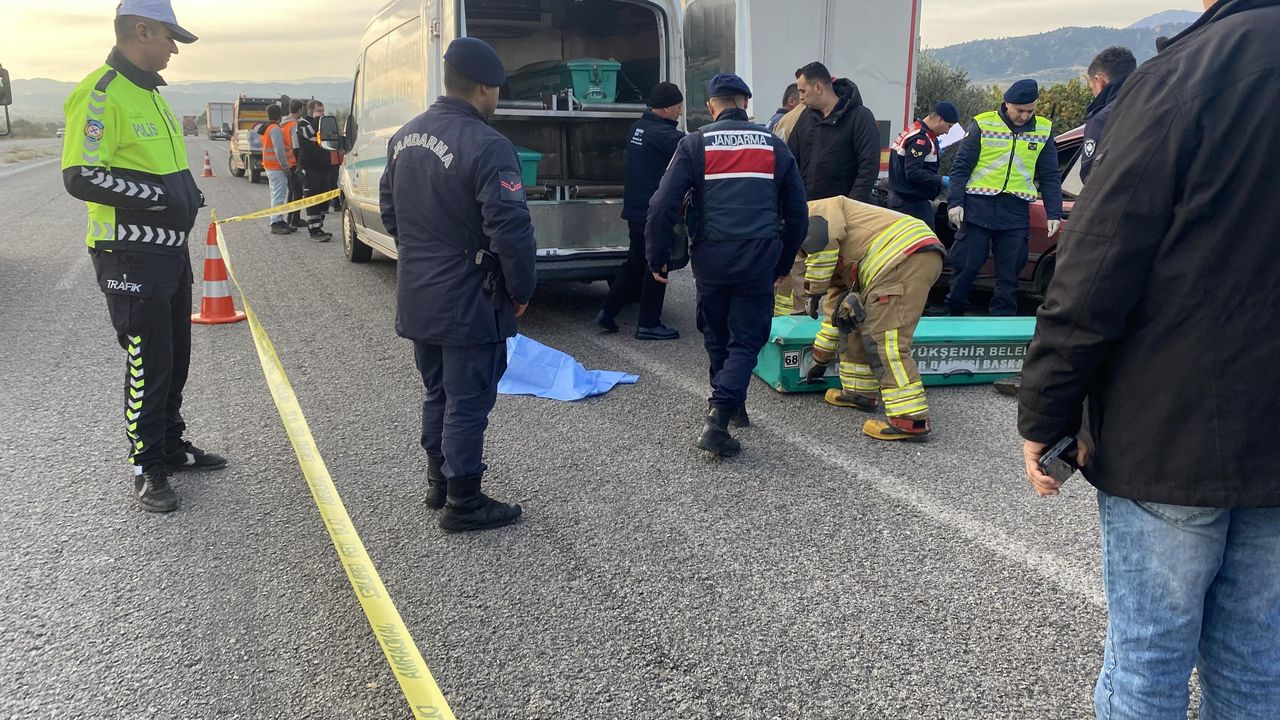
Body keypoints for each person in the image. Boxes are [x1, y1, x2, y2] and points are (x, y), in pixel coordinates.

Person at [1020, 1, 1280, 716]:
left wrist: (1045, 410)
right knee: (1257, 661)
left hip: (1174, 427)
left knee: (1148, 662)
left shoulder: (1188, 72)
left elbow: (1098, 262)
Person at [61, 0, 226, 513]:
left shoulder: (150, 94)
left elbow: (162, 167)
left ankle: (170, 444)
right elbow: (81, 175)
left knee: (175, 357)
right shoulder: (100, 93)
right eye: (170, 37)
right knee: (147, 361)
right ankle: (146, 465)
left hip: (169, 252)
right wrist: (162, 197)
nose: (175, 48)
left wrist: (185, 194)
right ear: (141, 30)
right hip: (129, 253)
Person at [380, 37, 536, 533]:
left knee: (438, 392)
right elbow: (510, 229)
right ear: (485, 87)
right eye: (498, 90)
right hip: (469, 297)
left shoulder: (403, 138)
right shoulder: (489, 145)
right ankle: (463, 502)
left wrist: (426, 256)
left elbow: (391, 214)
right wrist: (521, 288)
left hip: (418, 292)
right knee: (468, 399)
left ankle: (438, 483)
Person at [646, 73, 807, 457]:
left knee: (717, 332)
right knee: (747, 338)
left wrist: (657, 256)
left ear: (711, 106)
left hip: (711, 256)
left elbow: (661, 205)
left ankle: (733, 406)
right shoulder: (773, 145)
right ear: (746, 103)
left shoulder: (693, 144)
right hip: (759, 256)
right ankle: (720, 416)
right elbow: (798, 214)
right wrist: (784, 263)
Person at [799, 197, 944, 441]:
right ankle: (859, 393)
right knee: (849, 320)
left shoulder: (816, 210)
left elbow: (822, 244)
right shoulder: (834, 251)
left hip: (904, 257)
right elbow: (833, 315)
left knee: (885, 340)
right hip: (899, 258)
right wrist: (820, 360)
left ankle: (909, 418)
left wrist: (814, 290)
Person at [945, 79, 1062, 316]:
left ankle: (1002, 321)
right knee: (966, 266)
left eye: (1030, 111)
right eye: (1019, 110)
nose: (1024, 116)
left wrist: (1054, 212)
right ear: (1007, 103)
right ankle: (954, 314)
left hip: (1015, 210)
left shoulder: (1043, 130)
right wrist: (955, 202)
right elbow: (961, 168)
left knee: (1010, 273)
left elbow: (1050, 175)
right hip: (978, 207)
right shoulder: (983, 124)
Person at [596, 82, 684, 340]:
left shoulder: (638, 128)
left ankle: (608, 311)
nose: (680, 111)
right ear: (665, 108)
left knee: (635, 262)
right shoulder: (664, 135)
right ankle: (649, 323)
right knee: (658, 261)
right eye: (678, 106)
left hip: (636, 209)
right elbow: (694, 146)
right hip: (654, 213)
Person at [788, 62, 880, 203]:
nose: (800, 97)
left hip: (843, 209)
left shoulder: (860, 117)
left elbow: (868, 167)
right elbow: (790, 159)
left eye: (803, 91)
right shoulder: (805, 118)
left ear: (818, 88)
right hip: (808, 208)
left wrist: (850, 206)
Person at [886, 102, 958, 229]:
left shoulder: (915, 129)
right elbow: (913, 173)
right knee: (925, 240)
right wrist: (941, 180)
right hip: (910, 203)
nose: (947, 132)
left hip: (902, 198)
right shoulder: (920, 139)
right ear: (939, 119)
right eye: (949, 126)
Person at [1080, 46, 1136, 184]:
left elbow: (1090, 176)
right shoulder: (1156, 104)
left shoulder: (1101, 119)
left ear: (1099, 82)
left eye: (1092, 88)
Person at [296, 99, 333, 242]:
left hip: (324, 168)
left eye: (323, 111)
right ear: (311, 111)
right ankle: (314, 230)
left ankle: (319, 226)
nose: (322, 114)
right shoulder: (302, 124)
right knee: (313, 200)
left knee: (324, 201)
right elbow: (307, 134)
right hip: (309, 168)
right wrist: (317, 120)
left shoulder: (323, 124)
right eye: (319, 111)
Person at [260, 104, 294, 234]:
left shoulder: (267, 128)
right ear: (280, 116)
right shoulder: (275, 129)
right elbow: (279, 150)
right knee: (278, 196)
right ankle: (275, 222)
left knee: (276, 194)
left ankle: (279, 220)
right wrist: (285, 167)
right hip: (277, 167)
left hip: (271, 166)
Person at [282, 99, 306, 228]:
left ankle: (290, 218)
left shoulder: (283, 124)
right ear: (300, 110)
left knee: (291, 190)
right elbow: (296, 146)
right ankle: (295, 219)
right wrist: (299, 164)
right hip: (293, 162)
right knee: (297, 191)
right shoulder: (294, 125)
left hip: (285, 162)